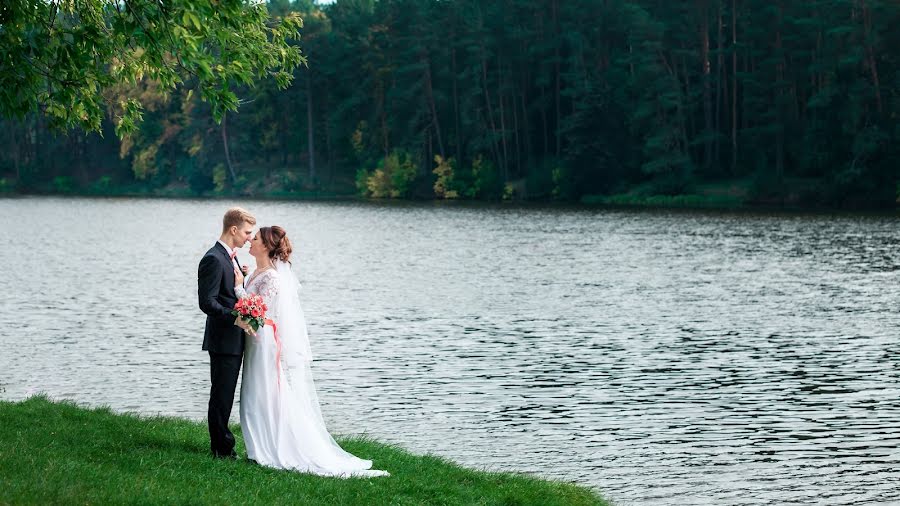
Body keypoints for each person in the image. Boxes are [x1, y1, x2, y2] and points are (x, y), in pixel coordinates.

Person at [233, 226, 388, 477]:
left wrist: (239, 288)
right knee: (254, 393)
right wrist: (246, 279)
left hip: (264, 342)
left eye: (256, 238)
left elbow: (258, 312)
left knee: (264, 393)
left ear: (266, 246)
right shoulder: (258, 272)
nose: (250, 240)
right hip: (254, 341)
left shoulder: (272, 277)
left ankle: (270, 448)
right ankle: (257, 447)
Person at [197, 207, 256, 459]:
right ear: (234, 229)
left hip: (233, 340)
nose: (249, 238)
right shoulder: (213, 258)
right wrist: (237, 317)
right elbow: (207, 303)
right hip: (223, 340)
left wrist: (241, 279)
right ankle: (222, 449)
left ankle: (222, 444)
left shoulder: (228, 257)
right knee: (221, 395)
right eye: (247, 232)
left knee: (225, 393)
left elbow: (227, 292)